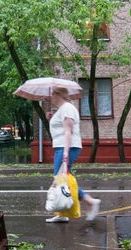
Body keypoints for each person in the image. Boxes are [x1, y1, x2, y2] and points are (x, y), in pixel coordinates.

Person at [46, 87, 101, 223]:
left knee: (60, 178)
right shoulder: (62, 109)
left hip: (66, 148)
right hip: (62, 147)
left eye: (52, 93)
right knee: (62, 179)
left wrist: (65, 153)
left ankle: (90, 201)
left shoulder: (67, 108)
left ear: (59, 94)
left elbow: (68, 132)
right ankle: (63, 213)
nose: (50, 96)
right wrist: (52, 118)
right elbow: (61, 129)